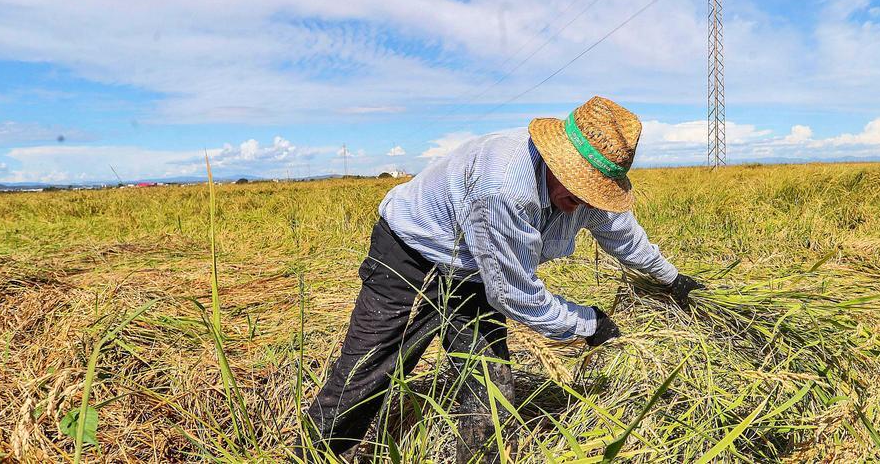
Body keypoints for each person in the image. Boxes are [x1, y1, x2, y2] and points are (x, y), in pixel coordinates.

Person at [294, 96, 703, 462]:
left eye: (593, 191)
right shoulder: (505, 186)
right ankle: (317, 453)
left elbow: (622, 234)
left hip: (473, 267)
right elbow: (516, 295)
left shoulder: (589, 193)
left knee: (489, 385)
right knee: (372, 365)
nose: (581, 199)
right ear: (555, 159)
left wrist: (671, 278)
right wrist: (587, 323)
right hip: (413, 252)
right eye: (576, 185)